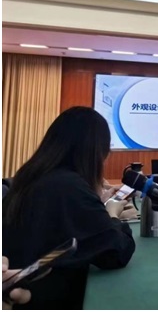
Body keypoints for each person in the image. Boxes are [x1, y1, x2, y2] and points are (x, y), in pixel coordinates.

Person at [2, 106, 136, 309]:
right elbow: (117, 252)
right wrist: (112, 213)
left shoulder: (31, 177)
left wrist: (96, 203)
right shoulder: (68, 187)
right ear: (94, 152)